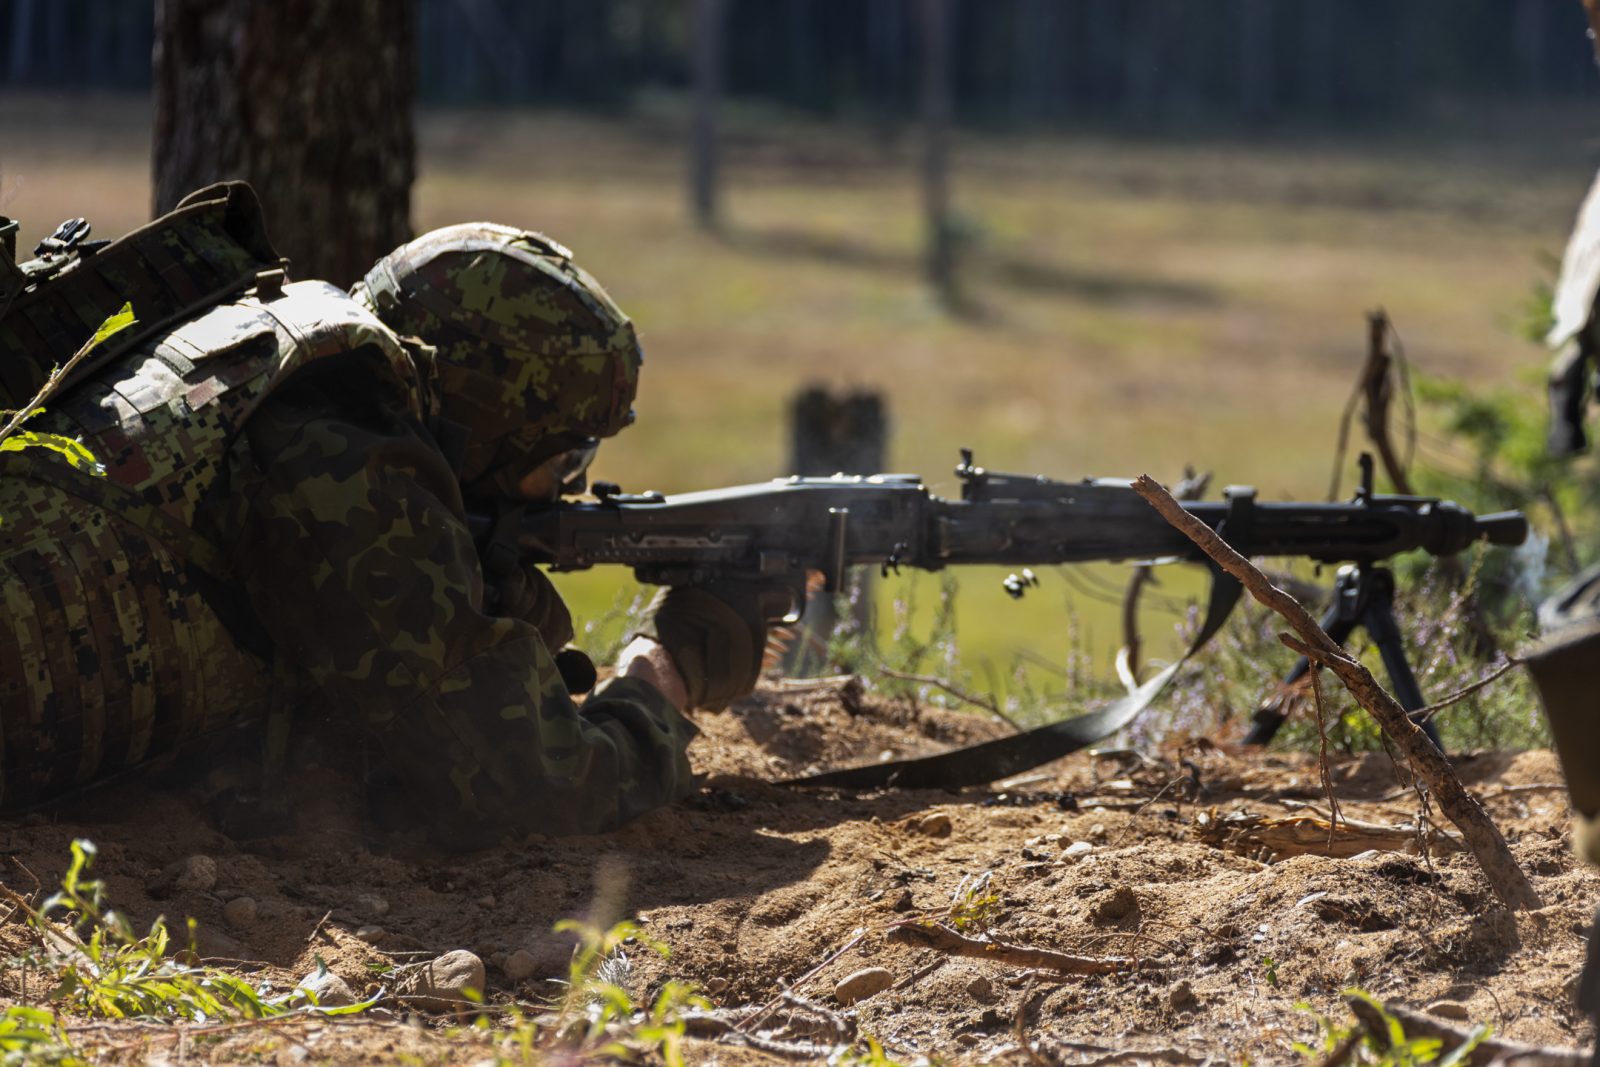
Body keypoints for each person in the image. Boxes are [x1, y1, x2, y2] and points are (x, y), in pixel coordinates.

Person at [0, 181, 770, 847]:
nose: (564, 489)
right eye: (562, 460)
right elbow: (527, 788)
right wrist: (660, 679)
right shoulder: (347, 458)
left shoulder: (270, 360)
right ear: (487, 423)